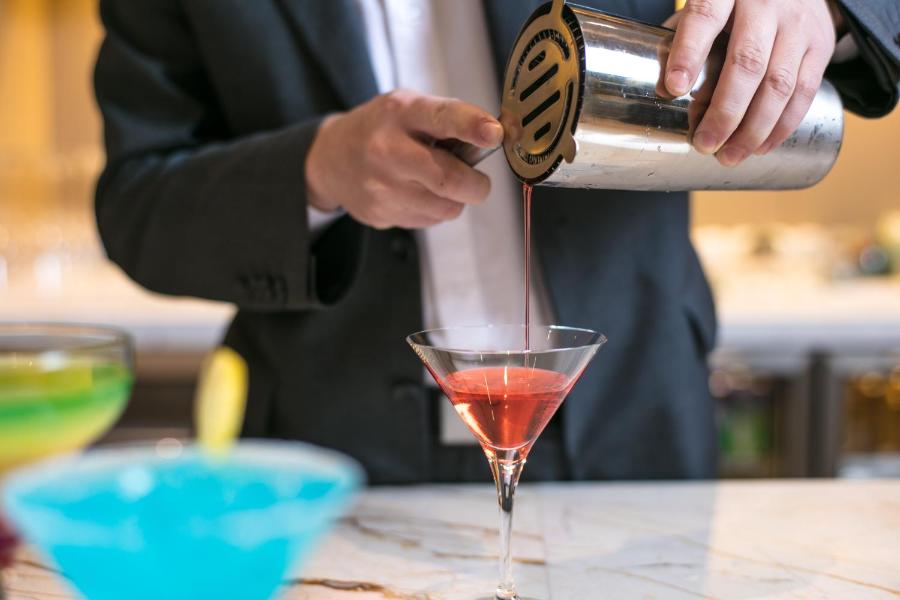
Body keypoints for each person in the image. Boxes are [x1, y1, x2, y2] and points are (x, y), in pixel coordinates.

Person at [93, 0, 899, 484]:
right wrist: (315, 168)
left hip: (631, 424)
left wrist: (823, 7)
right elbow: (136, 203)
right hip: (336, 454)